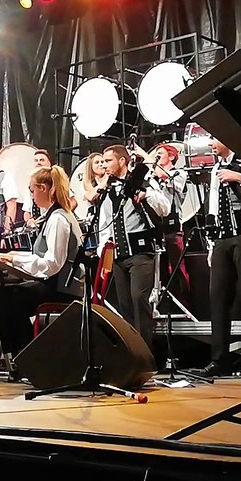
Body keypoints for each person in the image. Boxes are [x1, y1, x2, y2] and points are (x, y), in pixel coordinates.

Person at [190, 140, 241, 378]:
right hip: (222, 239)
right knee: (218, 299)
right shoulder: (215, 169)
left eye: (214, 138)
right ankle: (219, 359)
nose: (210, 143)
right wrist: (212, 243)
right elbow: (213, 203)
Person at [0, 166, 83, 357]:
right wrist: (14, 256)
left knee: (5, 299)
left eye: (32, 190)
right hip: (59, 284)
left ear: (43, 189)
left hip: (62, 288)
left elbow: (52, 263)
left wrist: (14, 259)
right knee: (4, 297)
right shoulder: (55, 215)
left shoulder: (58, 219)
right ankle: (21, 355)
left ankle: (26, 356)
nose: (31, 196)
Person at [91, 144, 171, 351]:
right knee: (125, 305)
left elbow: (165, 208)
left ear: (122, 161)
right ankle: (131, 352)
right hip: (118, 254)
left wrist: (147, 195)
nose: (104, 165)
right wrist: (103, 251)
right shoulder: (108, 191)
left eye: (108, 160)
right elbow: (105, 224)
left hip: (141, 252)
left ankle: (146, 353)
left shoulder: (141, 182)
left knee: (139, 300)